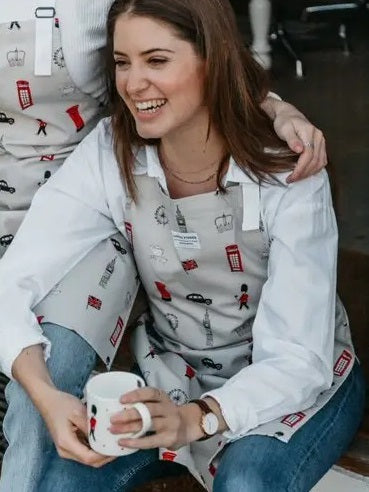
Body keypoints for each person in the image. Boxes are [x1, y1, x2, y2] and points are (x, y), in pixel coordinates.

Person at [0, 0, 360, 491]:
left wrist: (199, 419)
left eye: (157, 60)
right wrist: (45, 394)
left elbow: (300, 360)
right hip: (171, 375)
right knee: (62, 478)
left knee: (247, 481)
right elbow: (11, 281)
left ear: (211, 61)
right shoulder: (110, 152)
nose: (133, 83)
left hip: (301, 386)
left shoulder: (290, 173)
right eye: (123, 63)